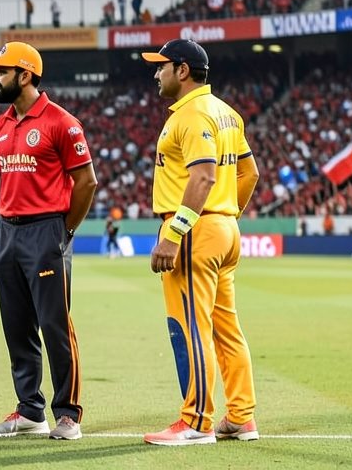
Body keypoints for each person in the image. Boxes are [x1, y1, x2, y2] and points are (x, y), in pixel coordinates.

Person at [140, 39, 260, 446]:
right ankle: (241, 417)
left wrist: (175, 233)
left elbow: (204, 176)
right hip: (223, 228)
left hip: (193, 232)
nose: (156, 74)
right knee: (226, 328)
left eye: (162, 67)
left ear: (183, 70)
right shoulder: (227, 113)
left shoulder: (190, 116)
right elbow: (250, 174)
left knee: (190, 326)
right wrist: (227, 214)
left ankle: (196, 422)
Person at [0, 42, 98, 441]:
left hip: (46, 231)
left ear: (25, 75)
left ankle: (68, 415)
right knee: (17, 326)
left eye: (2, 71)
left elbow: (87, 182)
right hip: (6, 232)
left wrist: (65, 231)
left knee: (54, 325)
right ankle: (30, 410)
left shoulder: (62, 122)